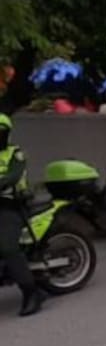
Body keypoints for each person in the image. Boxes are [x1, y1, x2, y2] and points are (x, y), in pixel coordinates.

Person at [0, 114, 44, 317]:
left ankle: (31, 293)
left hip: (11, 205)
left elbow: (12, 176)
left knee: (7, 247)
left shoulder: (15, 154)